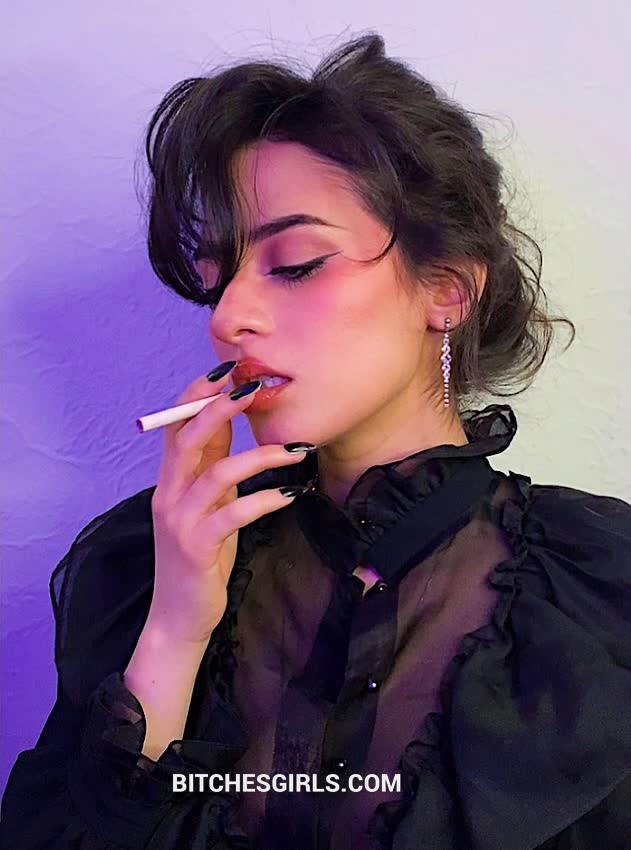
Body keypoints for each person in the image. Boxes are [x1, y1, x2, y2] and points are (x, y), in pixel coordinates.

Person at [2, 31, 630, 850]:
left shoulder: (597, 589)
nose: (228, 319)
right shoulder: (146, 569)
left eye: (295, 264)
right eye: (215, 281)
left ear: (445, 291)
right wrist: (175, 631)